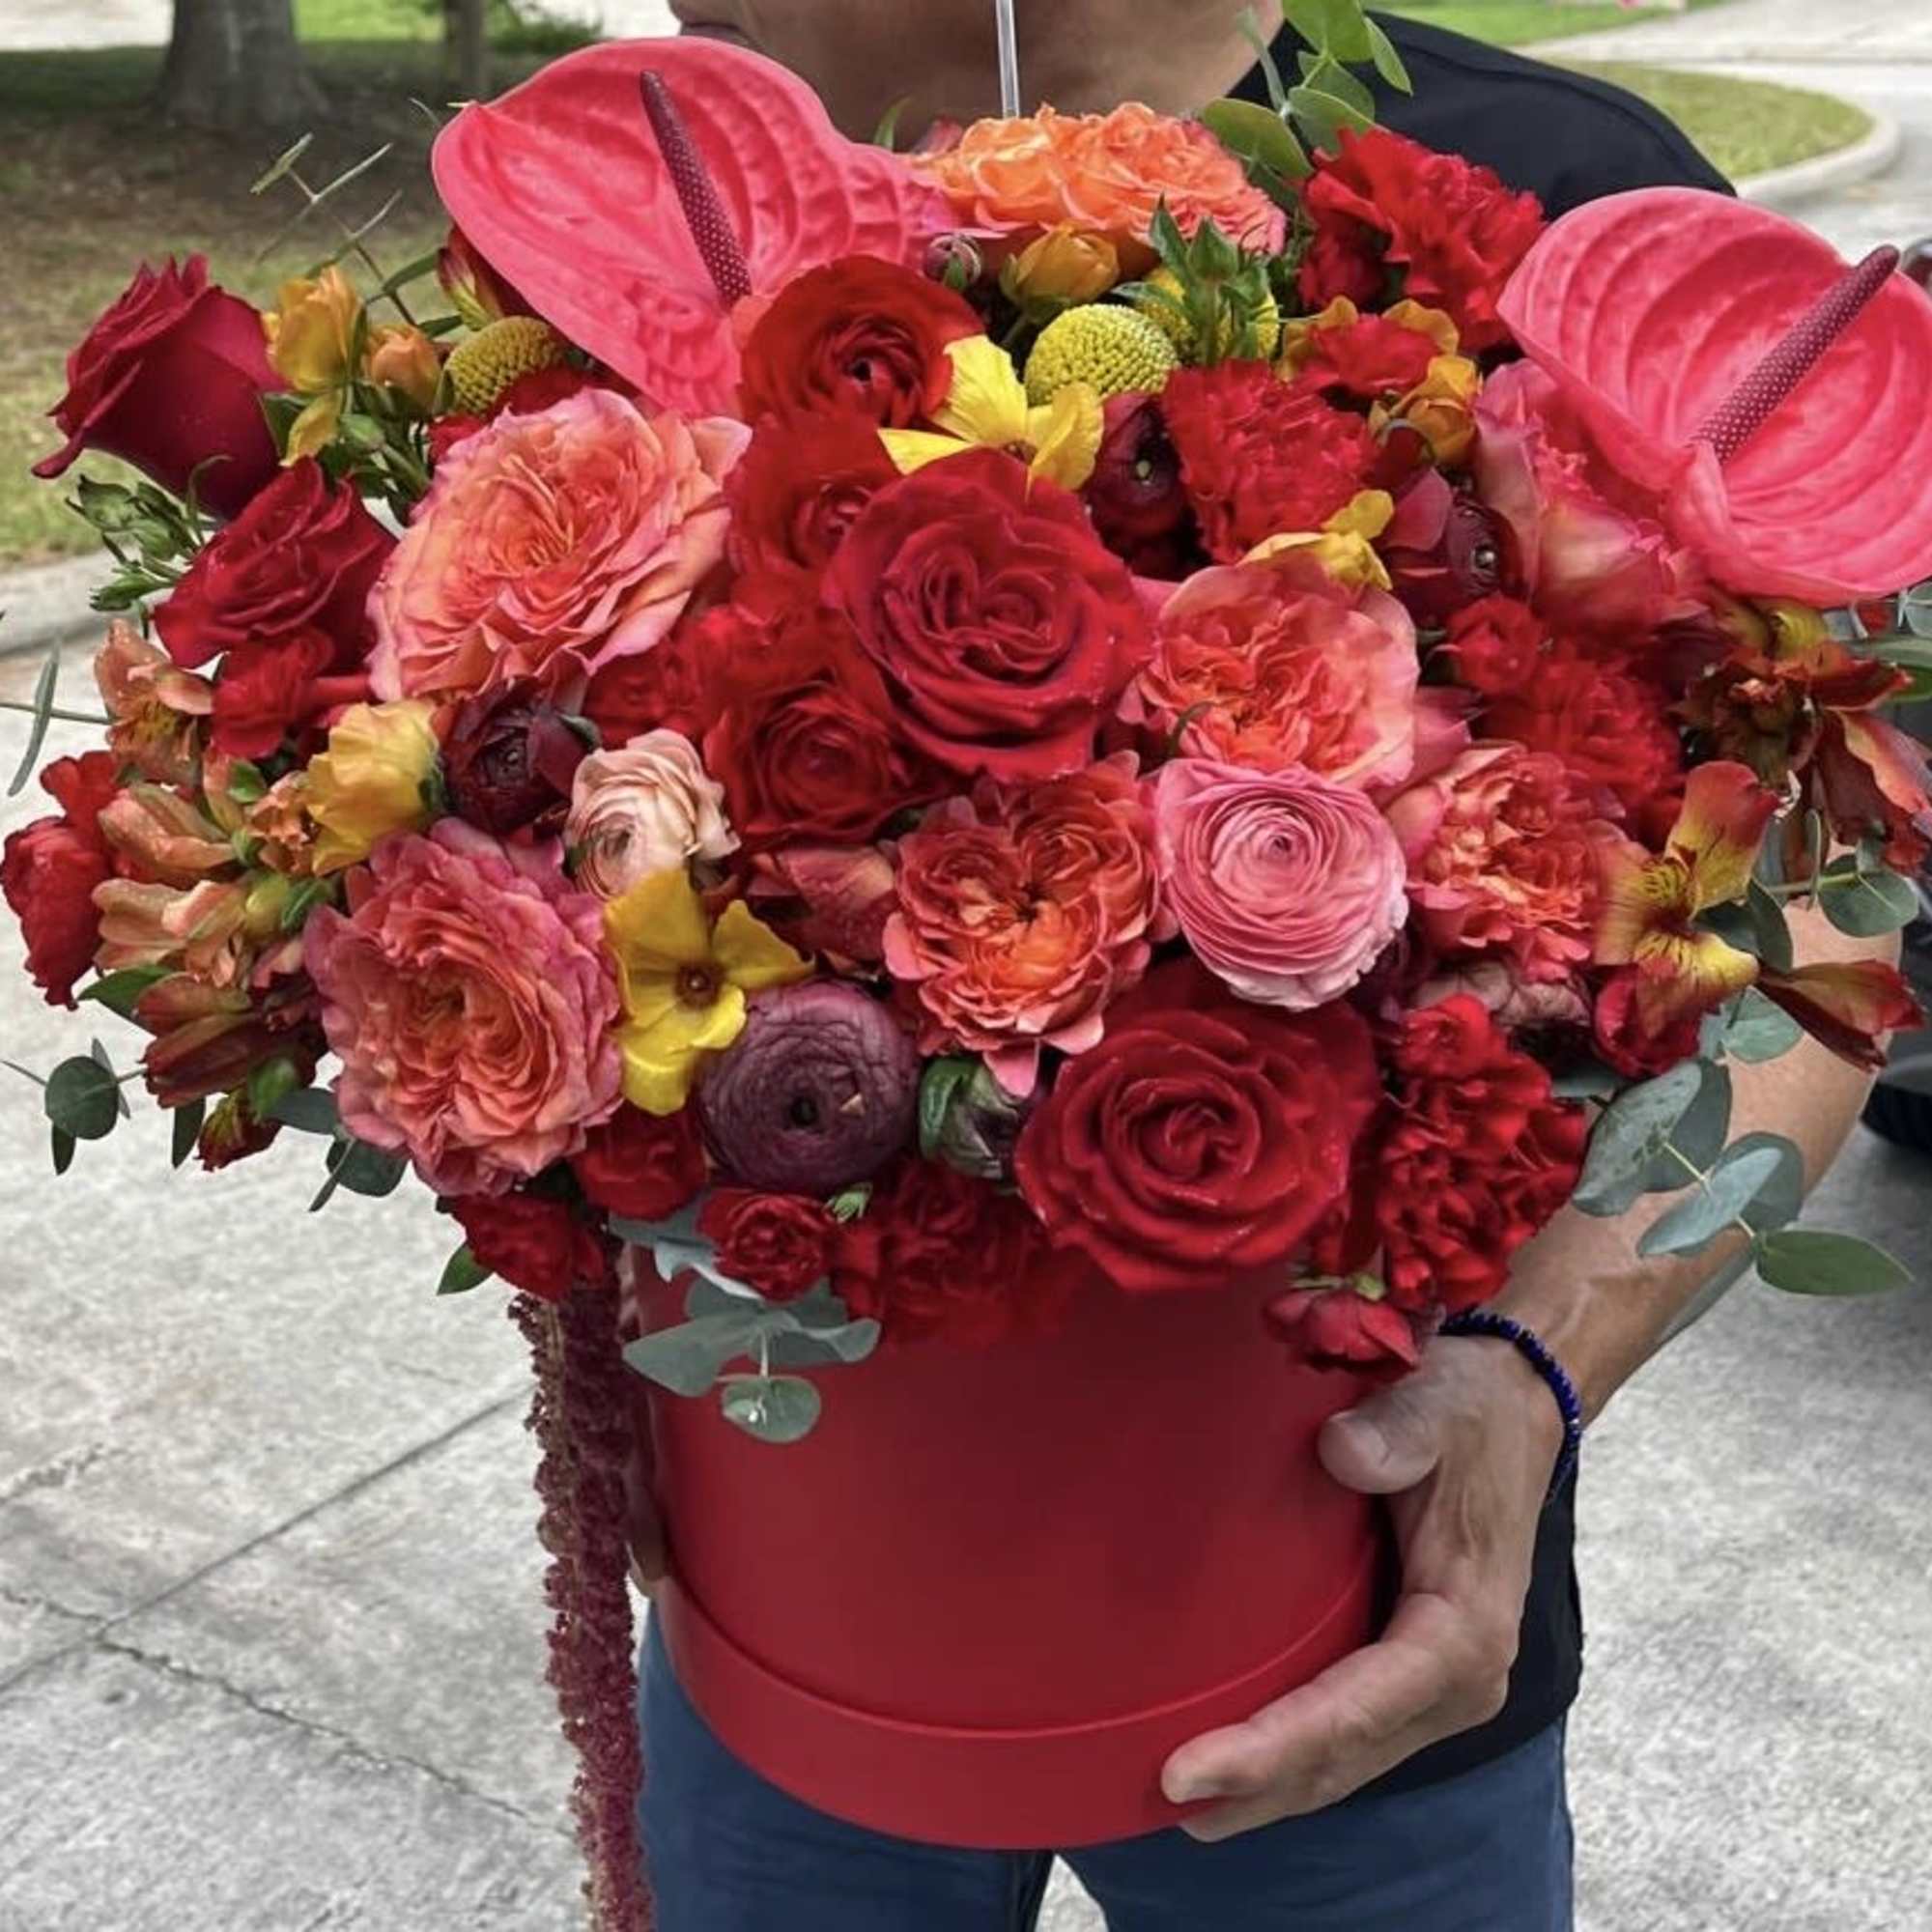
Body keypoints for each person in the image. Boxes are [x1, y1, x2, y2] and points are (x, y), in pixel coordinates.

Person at [633, 6, 1882, 1927]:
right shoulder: (680, 228)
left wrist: (1532, 1367)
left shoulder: (1551, 193)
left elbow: (1829, 925)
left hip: (1360, 1625)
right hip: (794, 1601)